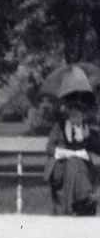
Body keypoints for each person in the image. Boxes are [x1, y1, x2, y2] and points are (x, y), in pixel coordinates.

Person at [44, 81, 99, 216]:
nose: (75, 113)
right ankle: (87, 197)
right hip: (59, 167)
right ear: (68, 112)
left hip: (80, 169)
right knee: (73, 163)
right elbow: (50, 147)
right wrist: (64, 152)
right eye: (72, 109)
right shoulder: (59, 127)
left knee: (75, 164)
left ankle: (77, 204)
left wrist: (86, 138)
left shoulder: (87, 129)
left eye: (78, 110)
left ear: (83, 114)